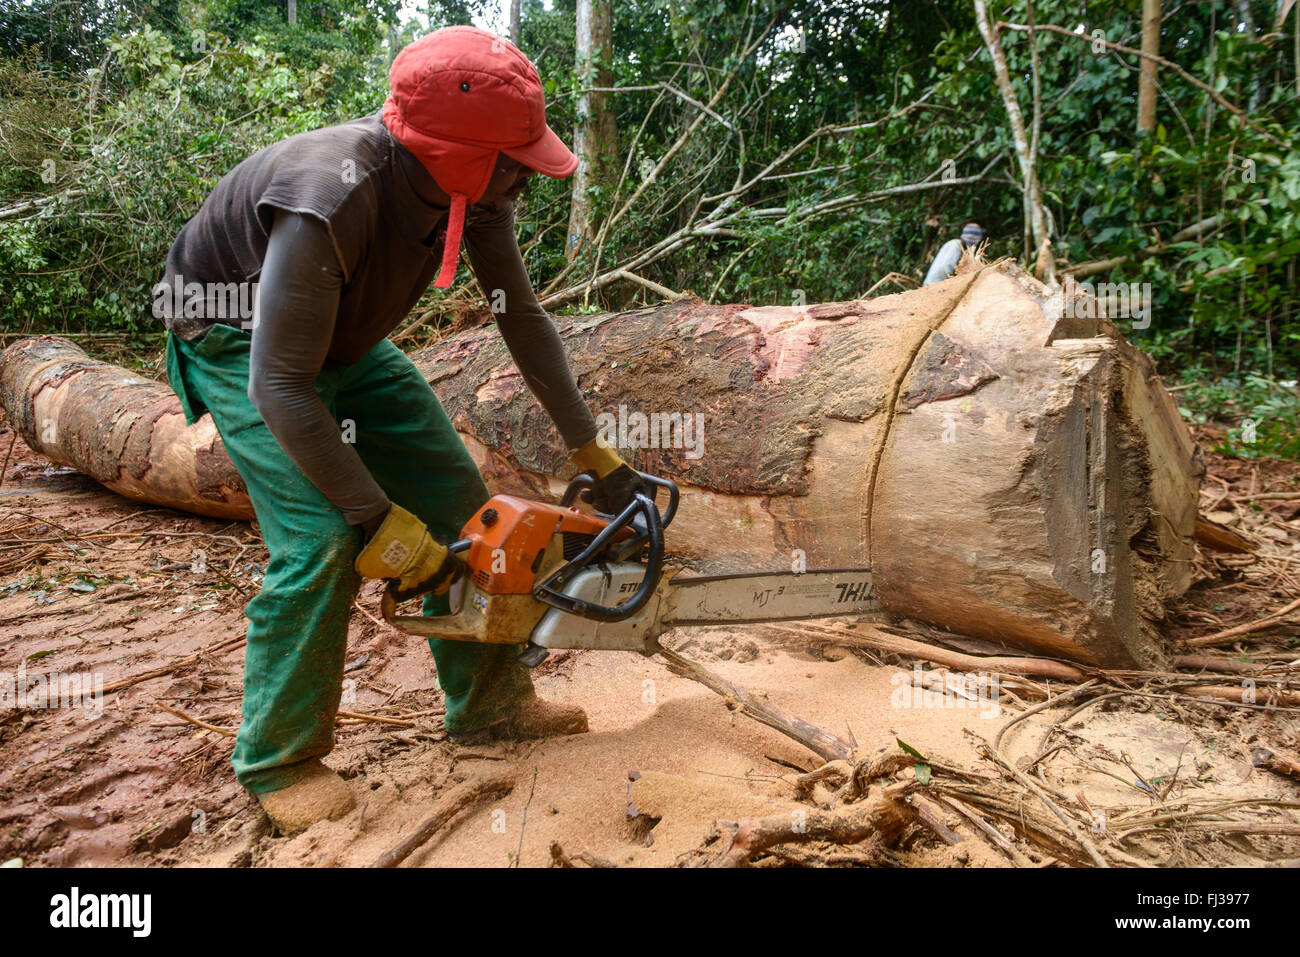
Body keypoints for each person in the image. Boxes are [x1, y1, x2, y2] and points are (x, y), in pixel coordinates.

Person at [157, 26, 644, 835]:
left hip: (341, 335)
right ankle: (280, 757)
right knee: (320, 540)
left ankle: (489, 702)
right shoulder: (332, 194)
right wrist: (377, 520)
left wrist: (590, 448)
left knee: (461, 503)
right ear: (460, 155)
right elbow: (279, 383)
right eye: (515, 161)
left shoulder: (475, 191)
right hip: (241, 342)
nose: (527, 176)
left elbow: (518, 316)